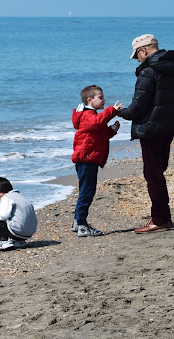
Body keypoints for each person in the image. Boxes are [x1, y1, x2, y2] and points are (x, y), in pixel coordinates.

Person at [120, 34, 174, 233]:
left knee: (153, 174)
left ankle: (160, 219)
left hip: (152, 127)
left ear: (144, 50)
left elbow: (137, 108)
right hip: (170, 124)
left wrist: (119, 112)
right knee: (158, 171)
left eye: (137, 56)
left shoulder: (148, 71)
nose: (138, 60)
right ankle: (161, 217)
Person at [71, 85, 122, 237]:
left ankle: (77, 221)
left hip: (89, 159)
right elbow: (97, 122)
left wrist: (111, 130)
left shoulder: (91, 116)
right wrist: (112, 110)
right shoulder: (87, 115)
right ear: (90, 100)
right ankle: (81, 225)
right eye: (100, 97)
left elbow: (99, 133)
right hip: (86, 159)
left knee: (86, 191)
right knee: (86, 192)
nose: (104, 100)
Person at [0, 177, 38, 252]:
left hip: (18, 231)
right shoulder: (21, 197)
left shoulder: (6, 197)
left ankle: (3, 241)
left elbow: (4, 215)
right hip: (30, 231)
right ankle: (19, 241)